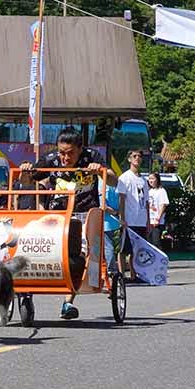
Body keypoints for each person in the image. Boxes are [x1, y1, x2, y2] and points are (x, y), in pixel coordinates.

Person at [20, 126, 117, 320]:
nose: (65, 158)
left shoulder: (92, 156)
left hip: (84, 214)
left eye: (70, 153)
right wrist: (25, 170)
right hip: (58, 214)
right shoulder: (51, 159)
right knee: (40, 249)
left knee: (76, 253)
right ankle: (26, 290)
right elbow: (27, 182)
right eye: (62, 153)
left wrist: (100, 171)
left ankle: (67, 302)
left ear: (80, 149)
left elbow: (113, 180)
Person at [117, 150, 149, 278]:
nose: (137, 158)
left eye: (139, 156)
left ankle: (135, 275)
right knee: (124, 249)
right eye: (134, 156)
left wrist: (148, 220)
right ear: (129, 159)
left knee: (138, 250)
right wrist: (122, 218)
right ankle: (121, 275)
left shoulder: (143, 180)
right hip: (129, 220)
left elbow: (146, 202)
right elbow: (122, 199)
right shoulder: (124, 178)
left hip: (141, 219)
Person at [147, 172, 169, 247]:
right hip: (149, 221)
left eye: (152, 178)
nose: (151, 180)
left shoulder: (161, 191)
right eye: (149, 179)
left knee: (156, 242)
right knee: (149, 242)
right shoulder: (149, 191)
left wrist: (158, 218)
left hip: (157, 222)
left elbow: (163, 204)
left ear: (157, 179)